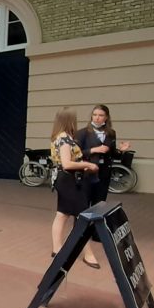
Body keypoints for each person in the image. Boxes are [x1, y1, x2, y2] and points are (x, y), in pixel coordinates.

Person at [50, 108, 101, 268]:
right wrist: (87, 164)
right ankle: (87, 253)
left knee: (62, 214)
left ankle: (57, 249)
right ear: (69, 120)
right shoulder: (65, 138)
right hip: (69, 181)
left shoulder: (60, 136)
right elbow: (67, 163)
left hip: (66, 180)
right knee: (82, 216)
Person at [77, 105, 131, 205]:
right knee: (83, 203)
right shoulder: (82, 133)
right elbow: (75, 154)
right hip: (87, 173)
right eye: (94, 115)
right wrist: (93, 150)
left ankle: (96, 221)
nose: (97, 118)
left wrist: (121, 150)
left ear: (106, 117)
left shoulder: (111, 133)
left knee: (99, 203)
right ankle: (82, 221)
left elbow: (113, 154)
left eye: (101, 115)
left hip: (104, 173)